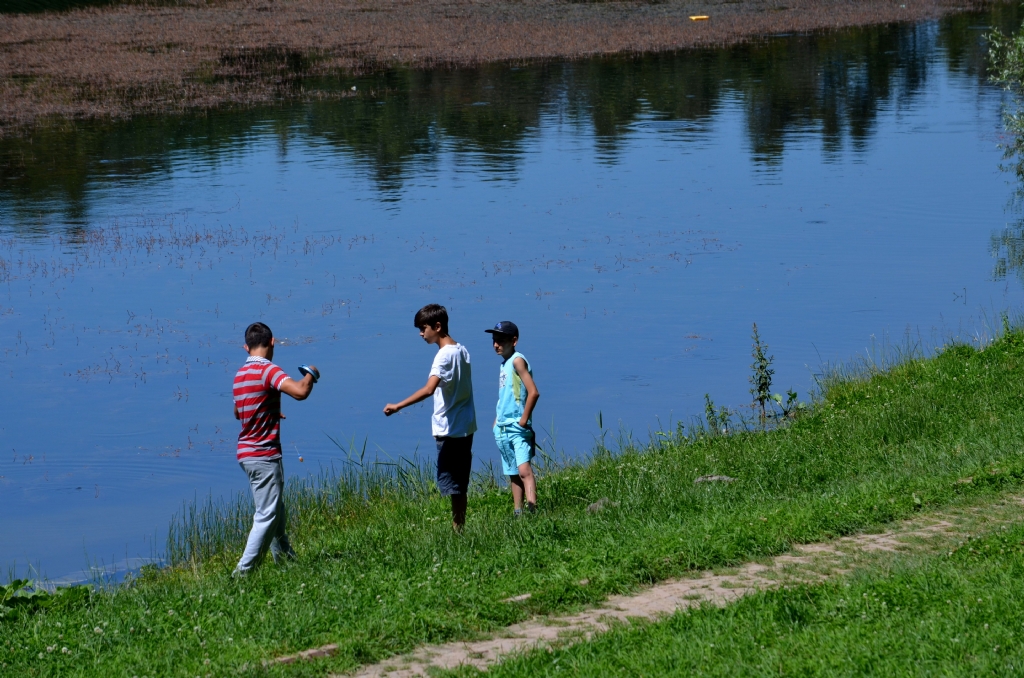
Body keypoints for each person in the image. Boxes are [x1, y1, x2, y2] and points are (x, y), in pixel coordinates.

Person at [231, 322, 318, 576]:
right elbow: (301, 392)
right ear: (272, 342)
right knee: (267, 514)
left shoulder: (239, 374)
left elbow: (239, 411)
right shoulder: (268, 370)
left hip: (246, 453)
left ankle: (287, 561)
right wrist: (311, 373)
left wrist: (267, 408)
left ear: (246, 347)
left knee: (276, 509)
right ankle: (242, 575)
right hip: (263, 454)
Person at [384, 304, 477, 531]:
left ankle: (457, 531)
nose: (420, 333)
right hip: (466, 426)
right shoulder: (462, 350)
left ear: (437, 326)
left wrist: (398, 405)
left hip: (449, 428)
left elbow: (428, 389)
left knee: (452, 484)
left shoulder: (443, 357)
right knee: (460, 483)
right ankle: (460, 527)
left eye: (423, 328)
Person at [485, 321, 540, 516]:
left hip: (517, 426)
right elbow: (506, 397)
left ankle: (532, 510)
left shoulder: (517, 360)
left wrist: (524, 420)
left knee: (524, 470)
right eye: (494, 340)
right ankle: (518, 512)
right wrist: (496, 421)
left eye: (500, 340)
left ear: (514, 341)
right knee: (512, 473)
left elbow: (533, 392)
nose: (496, 344)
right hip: (502, 427)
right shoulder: (504, 364)